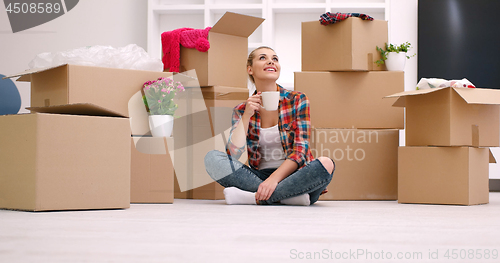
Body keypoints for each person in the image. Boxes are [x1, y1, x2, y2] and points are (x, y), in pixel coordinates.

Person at [204, 46, 335, 205]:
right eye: (263, 58)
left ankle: (252, 197)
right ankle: (290, 197)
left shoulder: (297, 99)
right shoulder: (241, 110)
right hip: (258, 177)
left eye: (275, 58)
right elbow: (233, 154)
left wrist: (273, 181)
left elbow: (301, 150)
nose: (271, 61)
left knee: (326, 163)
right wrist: (246, 116)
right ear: (250, 69)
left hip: (295, 175)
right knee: (212, 158)